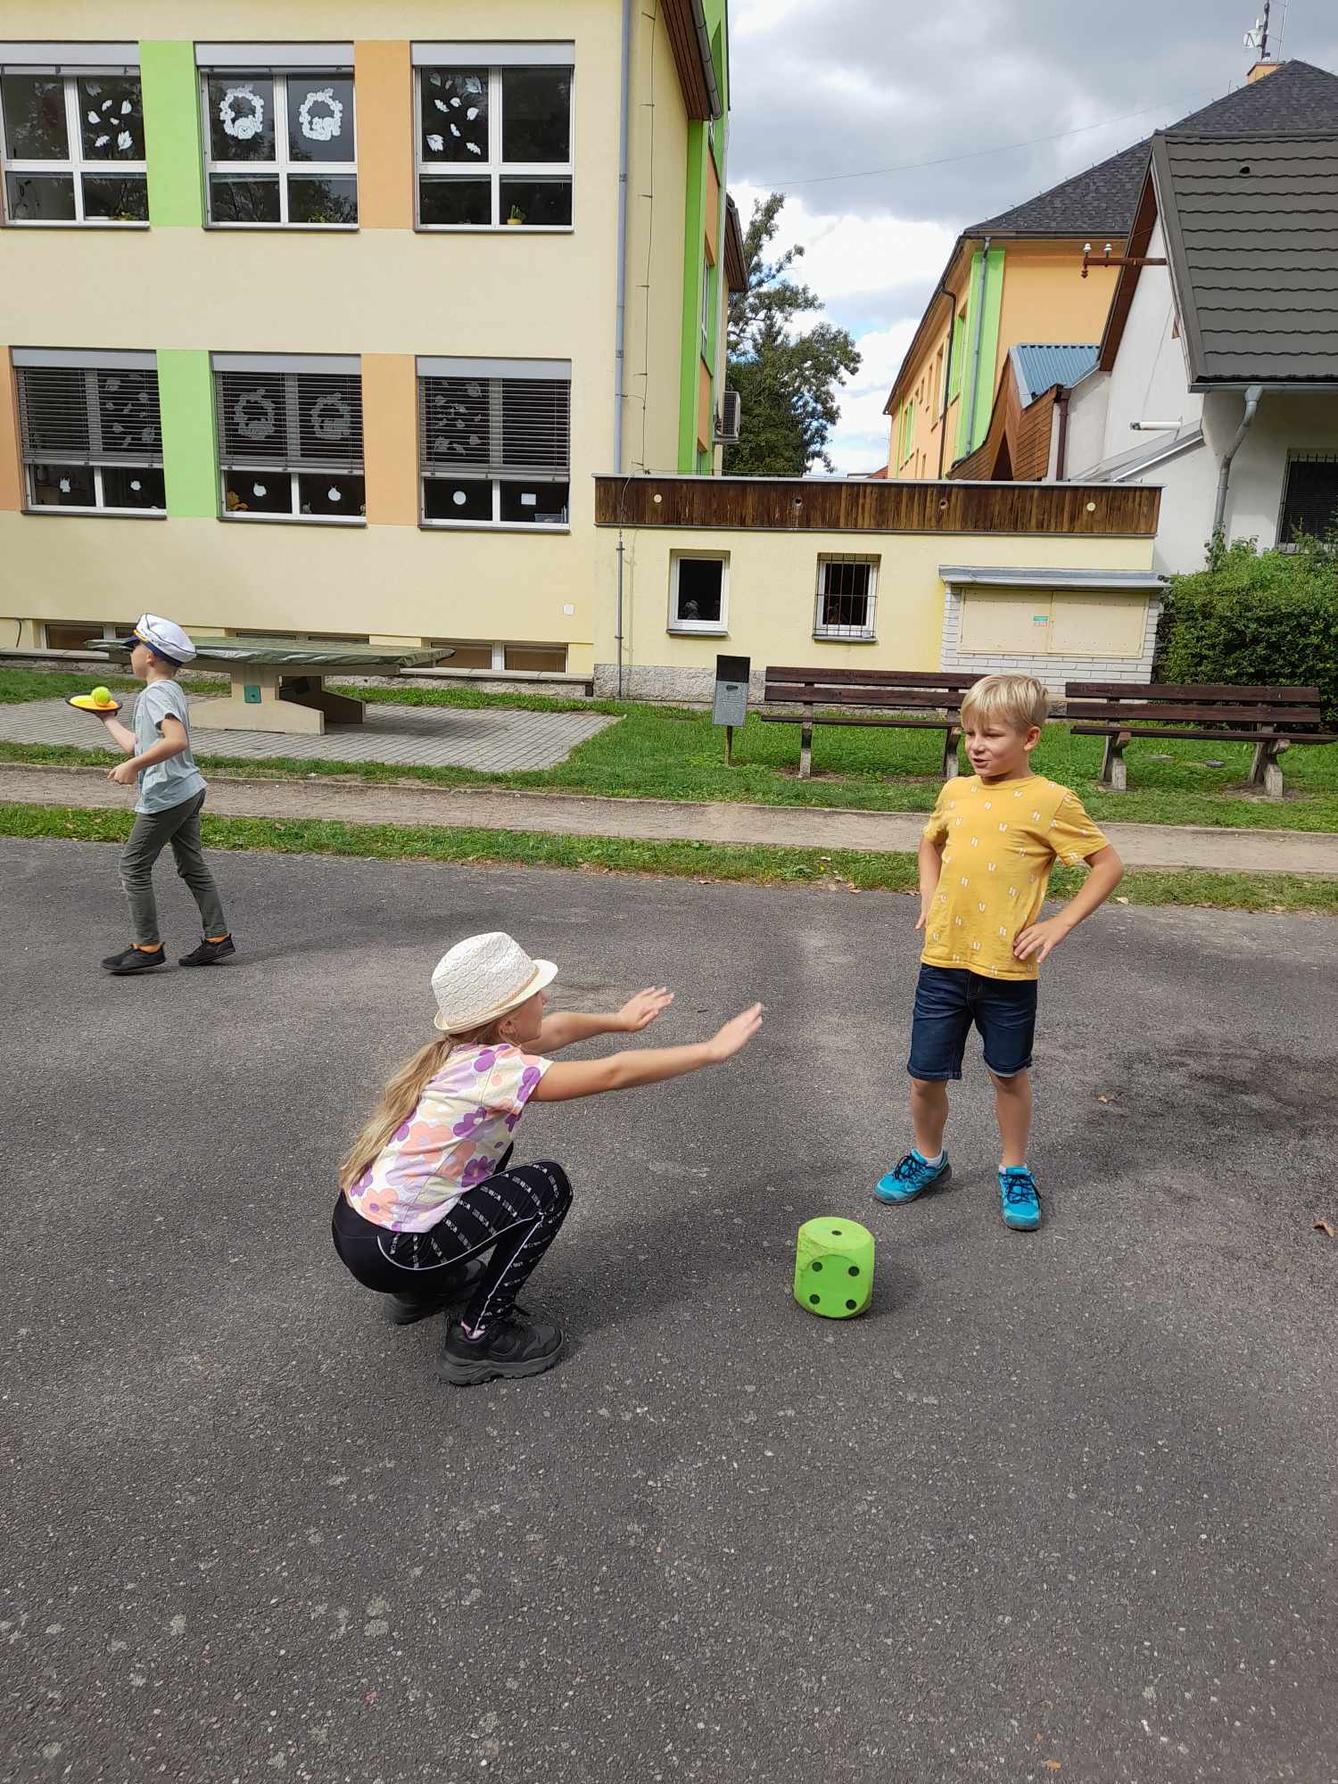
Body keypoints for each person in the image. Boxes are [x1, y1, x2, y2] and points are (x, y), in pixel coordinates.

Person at [332, 931, 763, 1386]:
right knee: (545, 1189)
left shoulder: (459, 1054)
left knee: (496, 1150)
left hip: (363, 1232)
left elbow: (555, 1028)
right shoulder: (498, 1072)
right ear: (507, 1025)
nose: (545, 997)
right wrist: (710, 1051)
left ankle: (421, 1291)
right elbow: (612, 1073)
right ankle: (477, 1337)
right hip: (394, 1251)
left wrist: (618, 1020)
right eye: (534, 994)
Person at [875, 673, 1123, 1231]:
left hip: (1009, 972)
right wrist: (930, 896)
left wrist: (1060, 923)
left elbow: (1107, 866)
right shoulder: (955, 791)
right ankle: (927, 1158)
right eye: (969, 735)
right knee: (924, 1075)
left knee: (1008, 1074)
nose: (978, 746)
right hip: (942, 963)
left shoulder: (1053, 801)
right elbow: (929, 842)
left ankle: (1013, 1167)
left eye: (991, 735)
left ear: (1030, 738)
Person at [86, 614, 234, 975]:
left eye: (133, 647)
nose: (130, 654)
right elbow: (140, 743)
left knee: (133, 865)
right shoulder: (168, 690)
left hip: (167, 795)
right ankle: (217, 938)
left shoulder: (156, 694)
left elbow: (175, 741)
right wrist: (107, 718)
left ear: (149, 655)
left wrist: (134, 767)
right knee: (191, 864)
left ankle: (147, 946)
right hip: (189, 788)